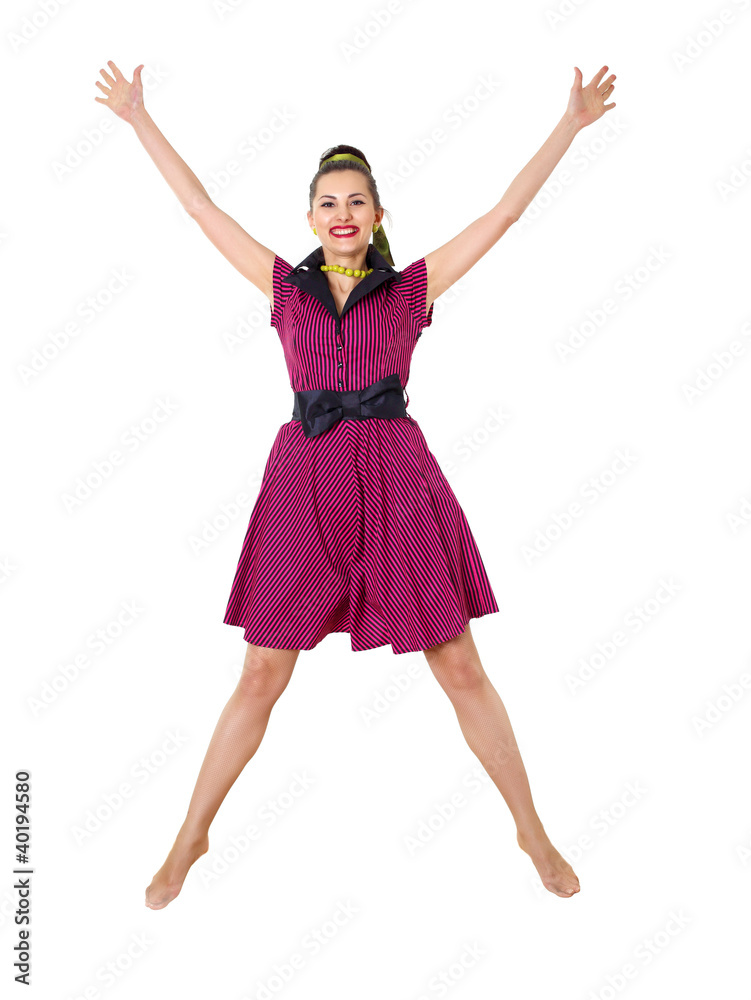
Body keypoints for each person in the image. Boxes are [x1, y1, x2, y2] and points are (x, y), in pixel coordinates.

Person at [94, 61, 615, 908]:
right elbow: (200, 209)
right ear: (310, 218)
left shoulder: (411, 287)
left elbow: (505, 212)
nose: (341, 214)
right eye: (327, 203)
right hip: (305, 478)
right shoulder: (283, 288)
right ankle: (190, 834)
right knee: (262, 671)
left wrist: (569, 124)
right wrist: (139, 119)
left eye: (356, 202)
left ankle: (531, 830)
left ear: (376, 216)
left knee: (457, 663)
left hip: (395, 478)